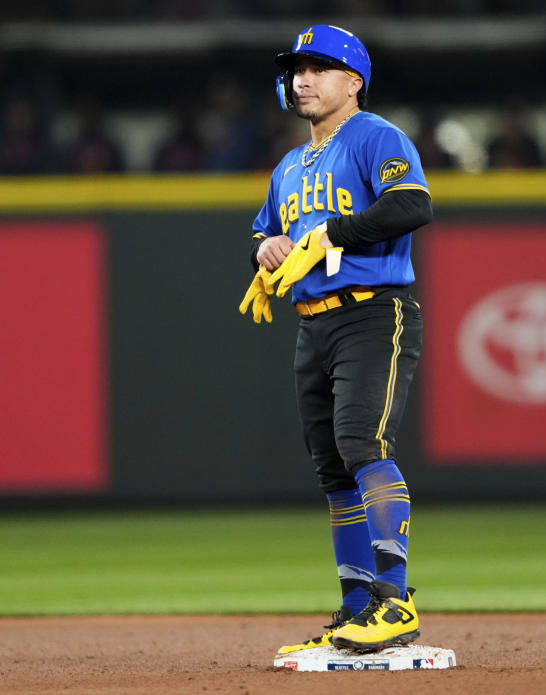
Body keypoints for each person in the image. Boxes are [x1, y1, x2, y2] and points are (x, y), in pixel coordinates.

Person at [238, 25, 432, 655]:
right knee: (333, 471)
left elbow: (412, 204)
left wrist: (333, 233)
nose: (303, 78)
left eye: (319, 67)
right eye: (297, 68)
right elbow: (267, 233)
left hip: (374, 312)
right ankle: (355, 609)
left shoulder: (376, 136)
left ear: (353, 82)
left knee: (362, 443)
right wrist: (262, 252)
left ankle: (394, 601)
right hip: (313, 323)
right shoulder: (290, 166)